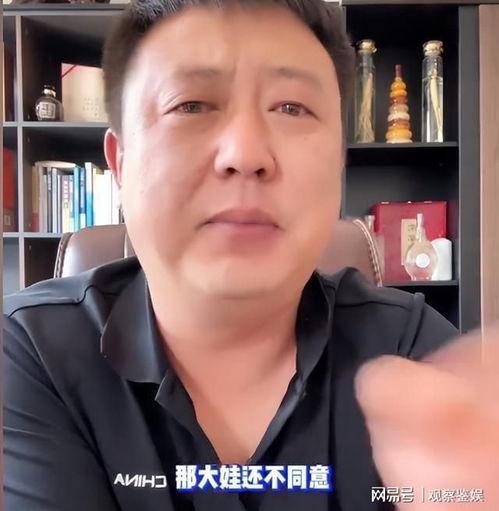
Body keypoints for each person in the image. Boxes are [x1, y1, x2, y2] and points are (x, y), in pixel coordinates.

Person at [4, 1, 498, 510]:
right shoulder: (30, 354)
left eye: (292, 108)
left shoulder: (412, 350)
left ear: (338, 164)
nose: (245, 154)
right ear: (121, 164)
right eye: (190, 105)